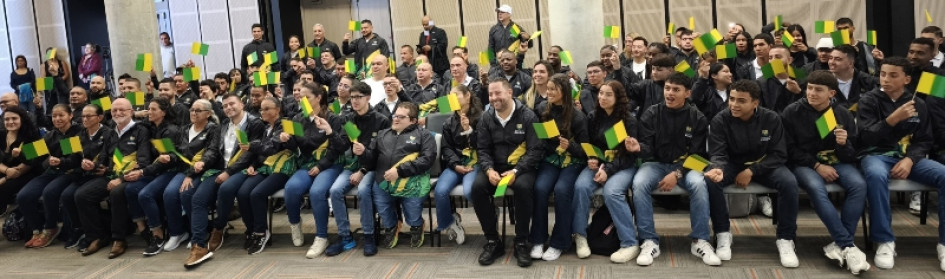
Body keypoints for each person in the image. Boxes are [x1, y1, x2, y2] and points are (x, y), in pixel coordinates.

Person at [856, 56, 945, 271]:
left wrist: (909, 159)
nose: (885, 79)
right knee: (876, 176)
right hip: (875, 155)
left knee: (943, 174)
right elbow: (866, 138)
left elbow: (924, 140)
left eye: (893, 75)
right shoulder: (869, 100)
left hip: (908, 158)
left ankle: (943, 243)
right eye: (883, 74)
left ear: (906, 79)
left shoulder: (918, 103)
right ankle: (884, 241)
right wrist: (892, 119)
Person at [780, 70, 870, 274]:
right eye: (809, 88)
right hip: (805, 164)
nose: (811, 93)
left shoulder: (842, 113)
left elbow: (851, 154)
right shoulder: (792, 112)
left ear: (831, 93)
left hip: (837, 161)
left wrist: (843, 144)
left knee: (859, 185)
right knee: (816, 188)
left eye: (818, 90)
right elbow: (789, 150)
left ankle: (839, 244)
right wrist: (816, 166)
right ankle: (848, 244)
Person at [703, 80, 799, 267]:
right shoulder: (720, 119)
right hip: (731, 163)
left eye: (741, 101)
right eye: (731, 99)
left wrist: (752, 170)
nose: (734, 105)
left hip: (764, 164)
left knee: (789, 182)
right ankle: (723, 233)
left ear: (755, 103)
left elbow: (779, 154)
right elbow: (718, 153)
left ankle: (786, 239)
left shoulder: (771, 118)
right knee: (712, 180)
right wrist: (718, 168)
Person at [631, 73, 719, 266]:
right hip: (656, 164)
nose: (669, 93)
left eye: (676, 90)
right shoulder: (652, 113)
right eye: (667, 88)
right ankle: (649, 240)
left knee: (698, 184)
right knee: (639, 184)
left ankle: (700, 240)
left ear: (687, 93)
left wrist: (677, 173)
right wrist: (638, 148)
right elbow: (647, 149)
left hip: (688, 165)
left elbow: (697, 156)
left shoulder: (697, 117)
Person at [183, 93, 265, 267]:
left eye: (232, 104)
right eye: (225, 105)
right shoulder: (224, 124)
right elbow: (213, 150)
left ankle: (219, 226)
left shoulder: (254, 123)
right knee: (197, 199)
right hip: (219, 169)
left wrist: (228, 172)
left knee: (226, 189)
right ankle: (198, 246)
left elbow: (249, 153)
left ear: (242, 104)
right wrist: (204, 161)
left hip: (244, 169)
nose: (228, 108)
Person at [471, 78, 542, 267]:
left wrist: (517, 171)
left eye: (498, 93)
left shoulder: (528, 116)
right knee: (476, 188)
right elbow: (483, 149)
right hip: (495, 167)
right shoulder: (486, 118)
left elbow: (536, 150)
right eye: (491, 94)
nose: (494, 98)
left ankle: (521, 241)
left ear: (510, 93)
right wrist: (488, 169)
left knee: (523, 187)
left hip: (521, 167)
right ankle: (493, 241)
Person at [571, 80, 641, 263]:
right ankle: (580, 236)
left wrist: (608, 170)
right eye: (601, 93)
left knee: (612, 192)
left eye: (608, 94)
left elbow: (629, 156)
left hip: (622, 165)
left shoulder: (628, 120)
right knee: (580, 187)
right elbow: (590, 145)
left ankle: (629, 242)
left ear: (618, 98)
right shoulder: (593, 117)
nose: (602, 97)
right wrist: (592, 158)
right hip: (599, 165)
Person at [74, 98, 152, 259]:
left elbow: (143, 161)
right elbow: (105, 156)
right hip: (110, 174)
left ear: (131, 112)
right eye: (115, 110)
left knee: (116, 193)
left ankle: (119, 239)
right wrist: (94, 166)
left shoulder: (140, 130)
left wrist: (121, 179)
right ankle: (97, 236)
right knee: (81, 195)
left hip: (133, 176)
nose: (118, 113)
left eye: (122, 110)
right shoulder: (110, 131)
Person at [323, 81, 390, 257]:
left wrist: (362, 171)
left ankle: (369, 235)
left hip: (373, 167)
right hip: (354, 165)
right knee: (335, 190)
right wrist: (330, 132)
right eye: (352, 97)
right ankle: (345, 236)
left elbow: (383, 153)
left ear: (368, 97)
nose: (354, 101)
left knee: (363, 190)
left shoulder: (380, 120)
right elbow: (341, 145)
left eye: (358, 97)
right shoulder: (349, 119)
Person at [279, 82, 346, 255]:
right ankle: (295, 225)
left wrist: (320, 166)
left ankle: (321, 237)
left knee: (317, 192)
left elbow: (338, 147)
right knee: (291, 189)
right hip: (308, 163)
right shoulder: (297, 119)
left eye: (307, 97)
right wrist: (287, 139)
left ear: (318, 97)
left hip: (330, 163)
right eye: (300, 98)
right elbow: (298, 146)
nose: (302, 101)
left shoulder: (333, 118)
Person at [528, 74, 588, 261]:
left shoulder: (578, 117)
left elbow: (586, 150)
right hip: (551, 158)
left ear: (565, 91)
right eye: (549, 88)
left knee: (562, 190)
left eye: (554, 89)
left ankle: (560, 242)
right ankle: (538, 239)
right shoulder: (541, 109)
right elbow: (539, 140)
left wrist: (570, 146)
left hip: (573, 160)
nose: (549, 92)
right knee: (540, 188)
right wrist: (553, 146)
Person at [361, 102, 436, 249]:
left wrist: (400, 171)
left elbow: (427, 159)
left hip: (412, 181)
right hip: (384, 181)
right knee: (383, 209)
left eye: (401, 117)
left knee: (412, 215)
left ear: (413, 120)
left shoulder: (424, 135)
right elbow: (371, 160)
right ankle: (391, 227)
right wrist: (363, 153)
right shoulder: (382, 134)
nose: (396, 119)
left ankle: (416, 226)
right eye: (395, 116)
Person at [16, 104, 79, 248]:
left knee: (49, 192)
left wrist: (58, 161)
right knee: (23, 196)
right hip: (51, 172)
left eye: (61, 115)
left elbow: (72, 160)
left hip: (69, 172)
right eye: (54, 116)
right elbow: (33, 158)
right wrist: (21, 154)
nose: (57, 119)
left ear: (70, 115)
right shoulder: (51, 134)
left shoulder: (77, 131)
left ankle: (51, 228)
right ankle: (37, 229)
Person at [128, 96, 180, 256]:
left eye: (153, 109)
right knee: (130, 189)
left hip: (171, 171)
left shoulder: (169, 130)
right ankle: (144, 229)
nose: (148, 112)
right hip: (155, 170)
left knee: (145, 194)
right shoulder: (150, 127)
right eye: (148, 109)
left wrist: (143, 171)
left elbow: (166, 161)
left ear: (163, 112)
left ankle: (157, 235)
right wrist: (134, 114)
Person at [432, 85, 481, 246]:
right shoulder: (448, 122)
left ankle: (489, 212)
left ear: (467, 96)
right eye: (450, 96)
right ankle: (451, 222)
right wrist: (455, 165)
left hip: (475, 163)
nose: (451, 99)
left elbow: (483, 145)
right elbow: (447, 148)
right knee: (440, 191)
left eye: (456, 95)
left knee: (469, 191)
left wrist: (469, 131)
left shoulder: (483, 118)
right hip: (456, 165)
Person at [62, 104, 114, 249]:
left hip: (103, 174)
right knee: (66, 196)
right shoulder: (78, 135)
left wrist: (97, 167)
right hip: (83, 174)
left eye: (88, 116)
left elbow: (113, 158)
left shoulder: (109, 133)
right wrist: (60, 161)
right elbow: (72, 159)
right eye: (83, 116)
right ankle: (80, 230)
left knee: (82, 195)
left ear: (100, 117)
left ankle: (97, 235)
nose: (84, 119)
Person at [757, 45, 804, 114]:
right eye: (770, 58)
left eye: (778, 57)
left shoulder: (801, 78)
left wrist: (799, 92)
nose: (773, 60)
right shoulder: (761, 82)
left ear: (789, 60)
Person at [829, 45, 877, 110]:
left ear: (851, 63)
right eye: (830, 58)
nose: (832, 62)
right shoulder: (823, 82)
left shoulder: (868, 82)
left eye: (838, 59)